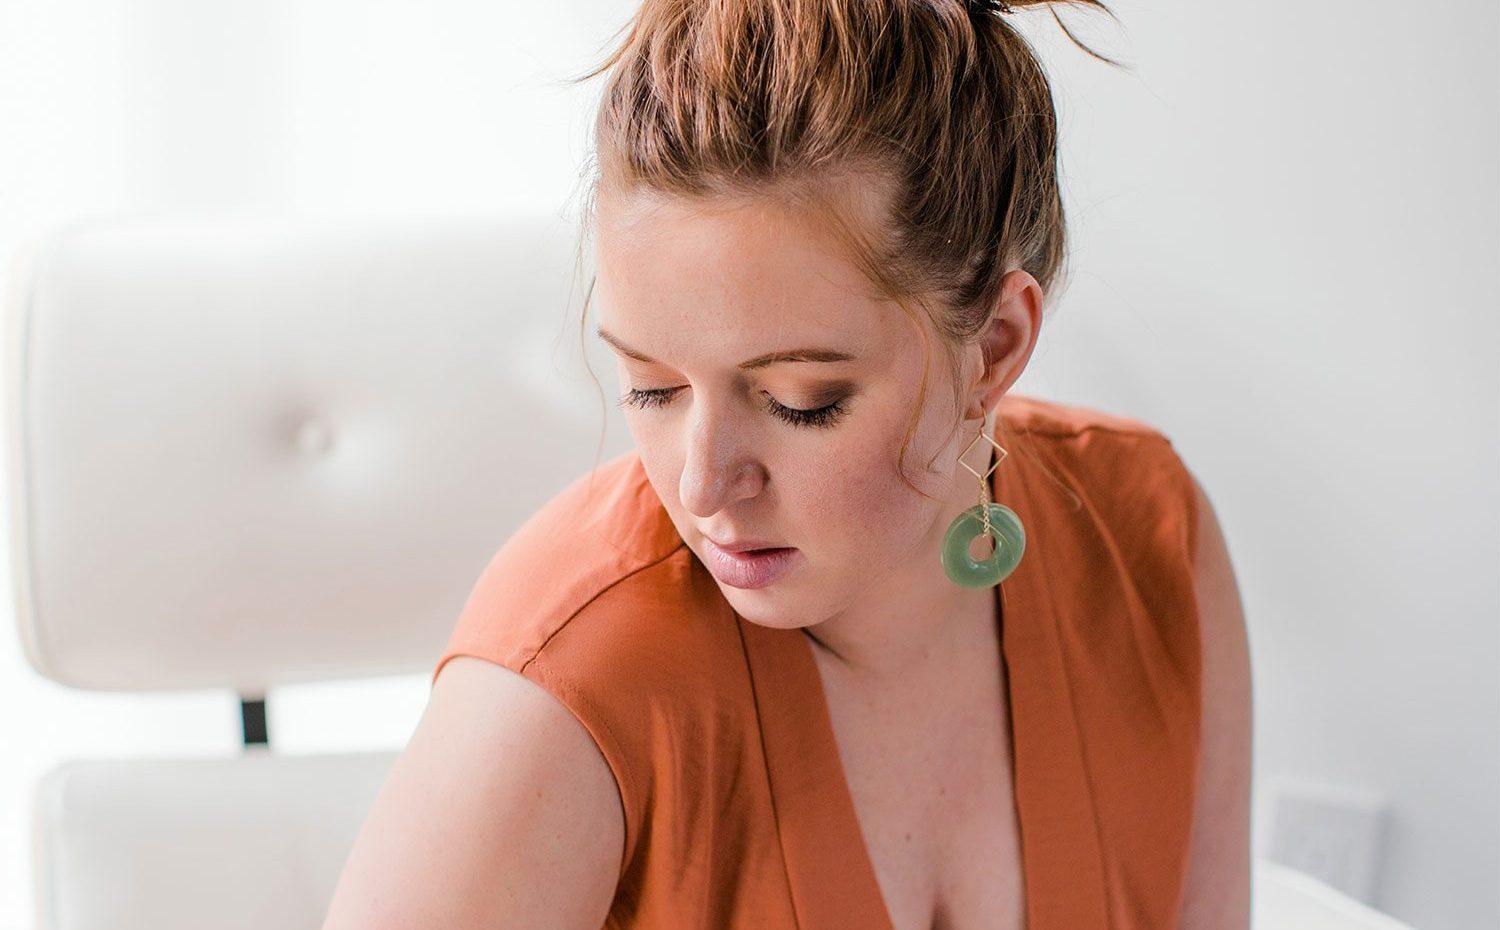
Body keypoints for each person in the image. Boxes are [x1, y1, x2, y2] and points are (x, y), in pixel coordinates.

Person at [321, 0, 1252, 928]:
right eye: (652, 388)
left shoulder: (1150, 542)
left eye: (799, 400)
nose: (702, 484)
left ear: (996, 348)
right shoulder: (563, 687)